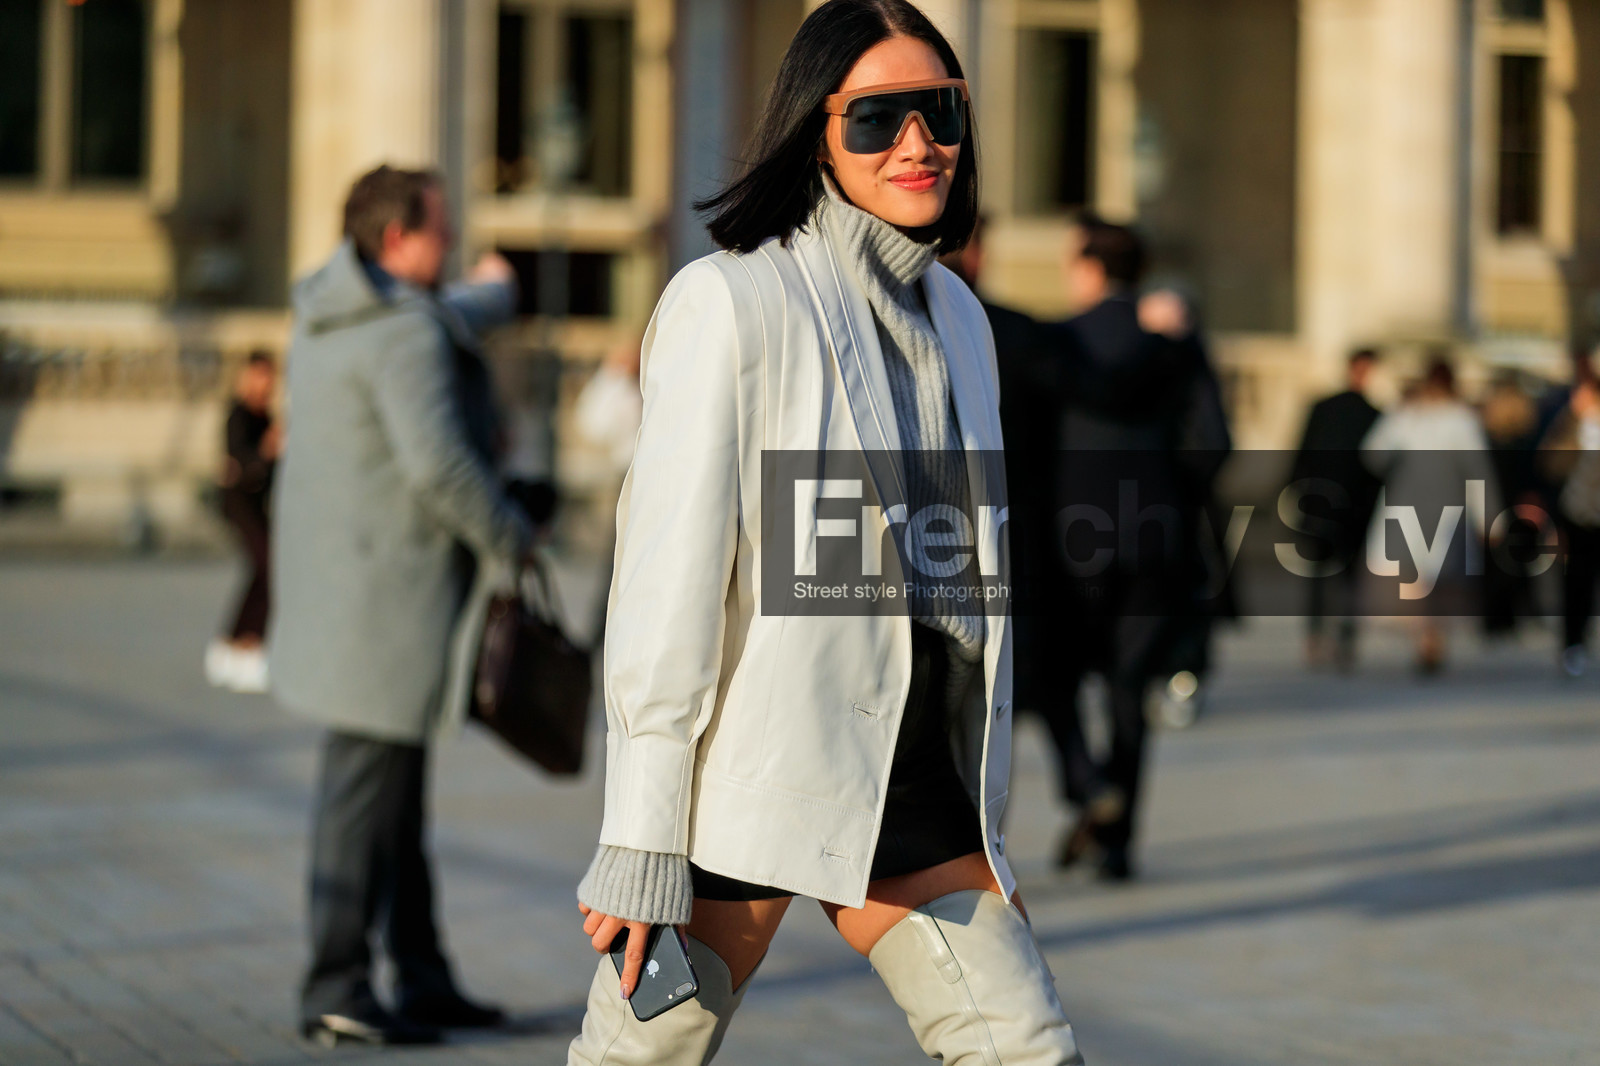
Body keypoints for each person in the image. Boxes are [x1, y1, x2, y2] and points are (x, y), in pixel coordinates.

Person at [565, 3, 1083, 1063]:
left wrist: (986, 830)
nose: (916, 143)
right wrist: (639, 838)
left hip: (912, 778)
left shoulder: (961, 318)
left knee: (1027, 1049)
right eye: (877, 118)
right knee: (638, 1058)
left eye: (938, 112)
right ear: (815, 131)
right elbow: (669, 586)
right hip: (752, 776)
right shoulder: (730, 302)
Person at [269, 165, 536, 1046]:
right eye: (439, 230)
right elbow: (440, 469)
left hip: (348, 593)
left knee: (391, 798)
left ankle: (420, 977)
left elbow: (444, 311)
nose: (450, 243)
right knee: (362, 800)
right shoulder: (404, 338)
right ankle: (334, 986)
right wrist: (511, 536)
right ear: (396, 241)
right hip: (391, 605)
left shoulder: (337, 310)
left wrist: (496, 294)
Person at [1037, 215, 1218, 882]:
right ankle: (1118, 846)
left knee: (1052, 676)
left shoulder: (1057, 343)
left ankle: (1088, 785)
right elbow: (1215, 441)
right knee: (1127, 687)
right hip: (1155, 533)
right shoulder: (1177, 348)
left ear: (1087, 268)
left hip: (1069, 536)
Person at [1360, 355, 1499, 674]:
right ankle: (1431, 640)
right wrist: (1490, 516)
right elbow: (1478, 471)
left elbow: (1373, 454)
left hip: (1410, 505)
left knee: (1417, 579)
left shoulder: (1409, 416)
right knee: (1438, 579)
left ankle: (1424, 639)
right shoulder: (1461, 420)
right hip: (1443, 508)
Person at [1289, 348, 1383, 670]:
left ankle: (1328, 637)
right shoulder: (1371, 414)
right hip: (1346, 506)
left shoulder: (1329, 408)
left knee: (1329, 574)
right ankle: (1332, 637)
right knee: (1341, 575)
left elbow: (1301, 455)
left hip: (1330, 504)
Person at [205, 350, 280, 693]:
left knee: (263, 570)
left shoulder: (267, 415)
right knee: (265, 565)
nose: (264, 382)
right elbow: (243, 463)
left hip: (256, 504)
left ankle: (238, 643)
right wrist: (265, 452)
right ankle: (243, 644)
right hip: (238, 505)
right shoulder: (238, 413)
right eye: (259, 374)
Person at [1537, 361, 1600, 676]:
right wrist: (1573, 418)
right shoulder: (1572, 424)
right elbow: (1551, 464)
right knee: (1577, 584)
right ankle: (1573, 643)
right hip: (1577, 515)